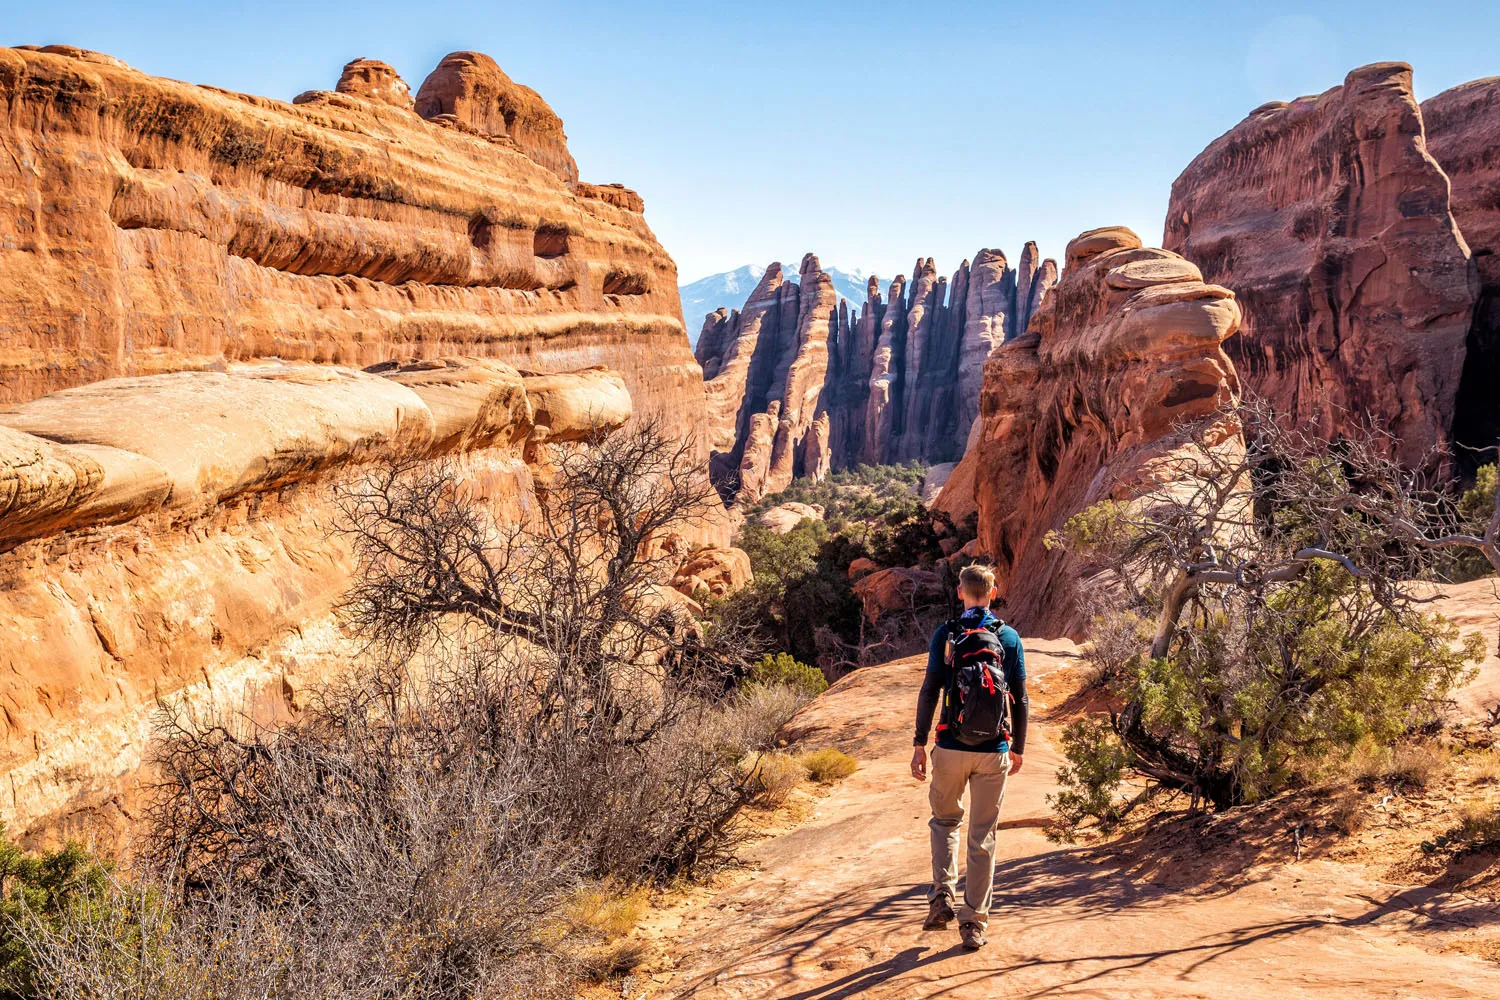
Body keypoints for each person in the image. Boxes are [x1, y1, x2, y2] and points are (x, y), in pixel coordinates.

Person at [910, 563, 1028, 951]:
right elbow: (1020, 699)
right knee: (983, 838)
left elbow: (930, 690)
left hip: (949, 747)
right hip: (993, 750)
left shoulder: (947, 633)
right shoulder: (1008, 637)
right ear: (992, 593)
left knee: (945, 821)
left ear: (961, 592)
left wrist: (918, 743)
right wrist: (1018, 747)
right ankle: (974, 923)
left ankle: (942, 895)